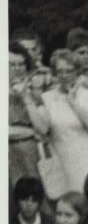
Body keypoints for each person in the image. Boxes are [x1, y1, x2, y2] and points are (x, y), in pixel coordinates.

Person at [35, 49, 88, 193]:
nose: (64, 75)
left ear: (77, 71)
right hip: (63, 163)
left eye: (69, 71)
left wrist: (73, 102)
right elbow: (43, 130)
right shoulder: (47, 98)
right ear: (55, 73)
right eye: (60, 71)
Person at [9, 42, 44, 187]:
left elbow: (42, 128)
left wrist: (25, 97)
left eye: (21, 64)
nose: (17, 68)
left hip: (31, 152)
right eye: (12, 64)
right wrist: (29, 131)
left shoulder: (35, 90)